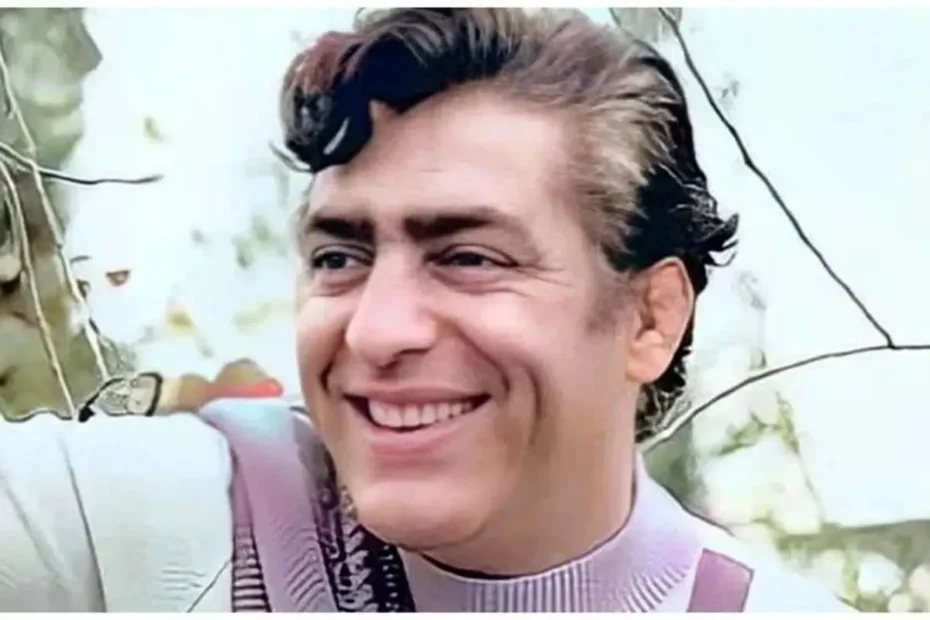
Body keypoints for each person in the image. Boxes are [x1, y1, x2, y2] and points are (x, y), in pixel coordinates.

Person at [0, 8, 851, 613]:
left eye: (468, 257)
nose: (376, 331)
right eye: (340, 258)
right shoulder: (161, 523)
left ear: (650, 318)